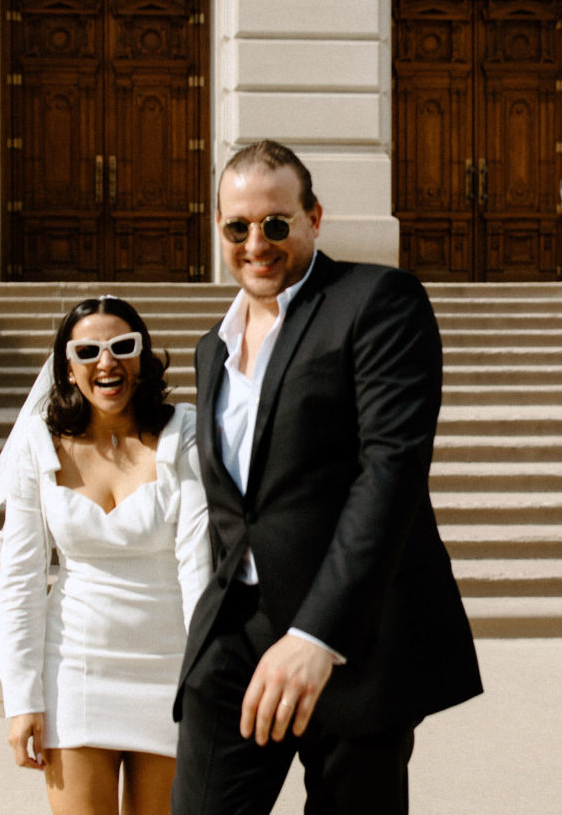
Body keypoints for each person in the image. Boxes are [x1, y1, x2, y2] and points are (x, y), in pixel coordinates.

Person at [171, 140, 483, 815]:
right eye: (238, 227)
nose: (257, 242)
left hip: (353, 639)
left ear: (313, 217)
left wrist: (319, 635)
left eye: (276, 223)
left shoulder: (375, 301)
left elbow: (390, 470)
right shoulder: (210, 348)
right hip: (237, 637)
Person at [0, 295, 211, 815]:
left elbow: (199, 567)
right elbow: (21, 579)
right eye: (88, 351)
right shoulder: (39, 446)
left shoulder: (184, 434)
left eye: (122, 347)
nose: (107, 363)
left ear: (144, 357)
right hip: (75, 670)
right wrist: (24, 702)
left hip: (171, 667)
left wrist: (206, 680)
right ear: (68, 366)